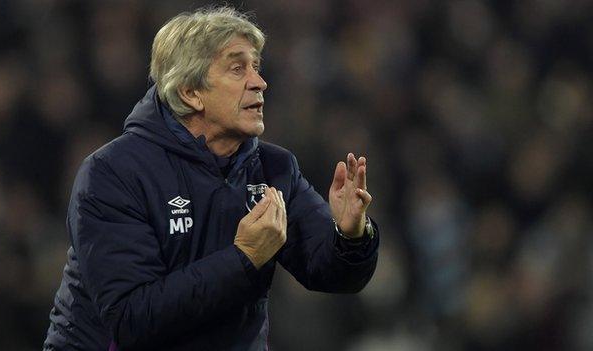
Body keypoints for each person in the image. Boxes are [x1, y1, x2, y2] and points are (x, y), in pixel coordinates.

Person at [43, 6, 379, 351]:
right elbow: (132, 319)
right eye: (238, 68)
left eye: (256, 67)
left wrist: (351, 235)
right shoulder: (114, 173)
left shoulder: (274, 169)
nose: (259, 82)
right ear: (190, 91)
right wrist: (243, 258)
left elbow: (332, 274)